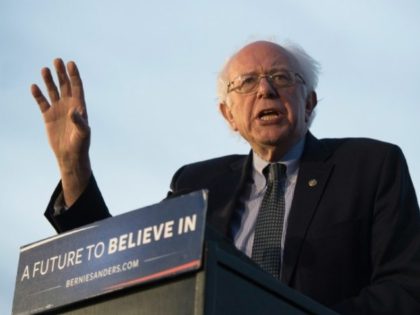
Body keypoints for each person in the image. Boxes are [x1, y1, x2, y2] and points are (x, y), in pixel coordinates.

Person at [31, 41, 420, 314]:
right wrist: (73, 166)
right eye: (246, 83)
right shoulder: (196, 184)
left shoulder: (370, 165)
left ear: (310, 102)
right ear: (228, 115)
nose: (265, 90)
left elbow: (405, 289)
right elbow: (121, 263)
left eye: (283, 78)